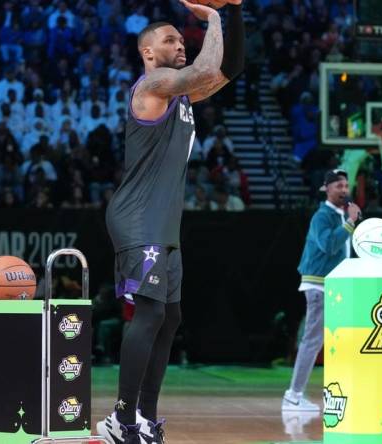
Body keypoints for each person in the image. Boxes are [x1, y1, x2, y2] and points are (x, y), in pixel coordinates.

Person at [98, 0, 245, 442]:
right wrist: (216, 18)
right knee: (149, 314)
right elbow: (204, 71)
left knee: (171, 316)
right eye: (171, 40)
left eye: (182, 39)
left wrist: (234, 12)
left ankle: (144, 417)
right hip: (138, 217)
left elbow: (228, 69)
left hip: (162, 221)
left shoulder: (179, 93)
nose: (180, 44)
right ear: (148, 52)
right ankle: (120, 420)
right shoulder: (154, 83)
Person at [282, 169, 359, 412]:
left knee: (331, 340)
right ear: (326, 189)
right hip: (319, 285)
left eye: (346, 185)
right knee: (312, 340)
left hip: (334, 286)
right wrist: (350, 223)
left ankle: (319, 394)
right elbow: (328, 245)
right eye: (338, 185)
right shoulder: (322, 216)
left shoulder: (338, 215)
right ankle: (293, 396)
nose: (344, 189)